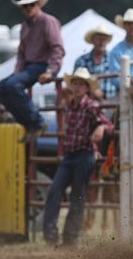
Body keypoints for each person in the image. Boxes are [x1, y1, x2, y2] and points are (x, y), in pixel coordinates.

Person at [43, 68, 112, 247]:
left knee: (77, 196)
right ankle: (52, 235)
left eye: (81, 84)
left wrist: (101, 128)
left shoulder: (91, 105)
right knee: (55, 191)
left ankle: (69, 238)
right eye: (75, 83)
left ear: (87, 88)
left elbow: (108, 124)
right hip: (71, 155)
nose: (78, 87)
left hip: (84, 154)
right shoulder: (71, 105)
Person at [0, 0, 65, 142]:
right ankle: (30, 124)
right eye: (25, 6)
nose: (28, 8)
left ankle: (37, 122)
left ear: (38, 5)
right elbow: (21, 53)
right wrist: (18, 71)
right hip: (29, 66)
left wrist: (51, 70)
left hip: (43, 65)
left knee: (12, 85)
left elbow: (57, 48)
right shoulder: (25, 26)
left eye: (31, 5)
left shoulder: (48, 21)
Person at [74, 25, 115, 99]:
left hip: (112, 100)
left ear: (107, 41)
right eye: (98, 39)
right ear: (93, 40)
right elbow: (75, 84)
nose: (101, 42)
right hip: (88, 102)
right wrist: (93, 90)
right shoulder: (81, 61)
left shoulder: (114, 59)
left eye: (104, 39)